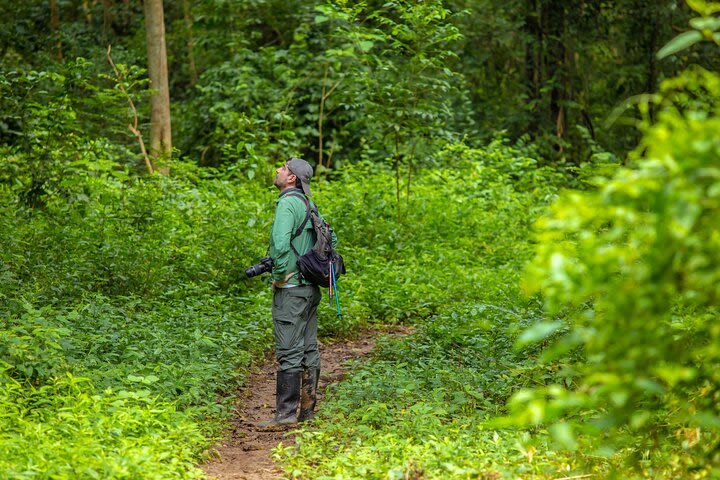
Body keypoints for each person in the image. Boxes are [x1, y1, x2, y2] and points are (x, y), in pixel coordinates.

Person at [259, 157, 335, 427]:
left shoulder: (287, 204)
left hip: (292, 290)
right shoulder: (308, 204)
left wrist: (280, 276)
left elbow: (280, 244)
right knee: (309, 347)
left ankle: (286, 414)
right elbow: (331, 238)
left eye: (282, 168)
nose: (278, 170)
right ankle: (306, 411)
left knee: (289, 349)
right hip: (310, 289)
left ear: (291, 178)